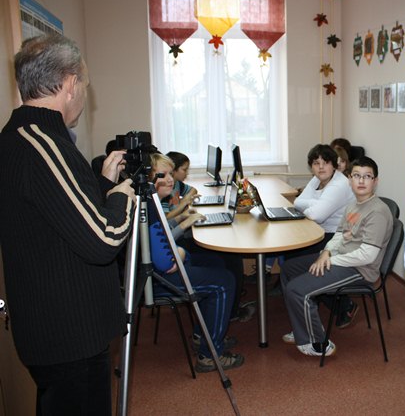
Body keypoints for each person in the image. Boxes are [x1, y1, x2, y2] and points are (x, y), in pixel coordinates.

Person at [0, 34, 136, 415]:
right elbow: (104, 239)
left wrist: (104, 184)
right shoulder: (43, 146)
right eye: (85, 85)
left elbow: (63, 216)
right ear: (71, 83)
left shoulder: (19, 139)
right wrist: (123, 195)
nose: (85, 95)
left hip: (53, 331)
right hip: (69, 335)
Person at [280, 156, 393, 356]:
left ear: (375, 181)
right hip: (342, 258)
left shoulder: (377, 212)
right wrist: (326, 252)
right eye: (356, 175)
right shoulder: (354, 204)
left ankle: (318, 343)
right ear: (349, 179)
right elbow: (340, 234)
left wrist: (330, 260)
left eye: (367, 176)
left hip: (360, 269)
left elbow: (367, 256)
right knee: (289, 269)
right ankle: (302, 326)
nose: (361, 181)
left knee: (297, 290)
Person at [147, 154, 244, 371]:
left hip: (156, 270)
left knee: (216, 262)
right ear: (148, 178)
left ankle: (204, 336)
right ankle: (209, 356)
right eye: (162, 175)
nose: (170, 180)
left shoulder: (151, 202)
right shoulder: (149, 209)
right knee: (225, 281)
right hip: (157, 279)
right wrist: (182, 246)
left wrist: (180, 218)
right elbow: (167, 263)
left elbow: (161, 233)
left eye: (171, 174)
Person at [165, 151, 198, 217]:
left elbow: (194, 190)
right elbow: (165, 217)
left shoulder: (177, 184)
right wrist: (183, 203)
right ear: (173, 170)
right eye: (184, 170)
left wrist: (185, 199)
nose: (187, 173)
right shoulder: (165, 190)